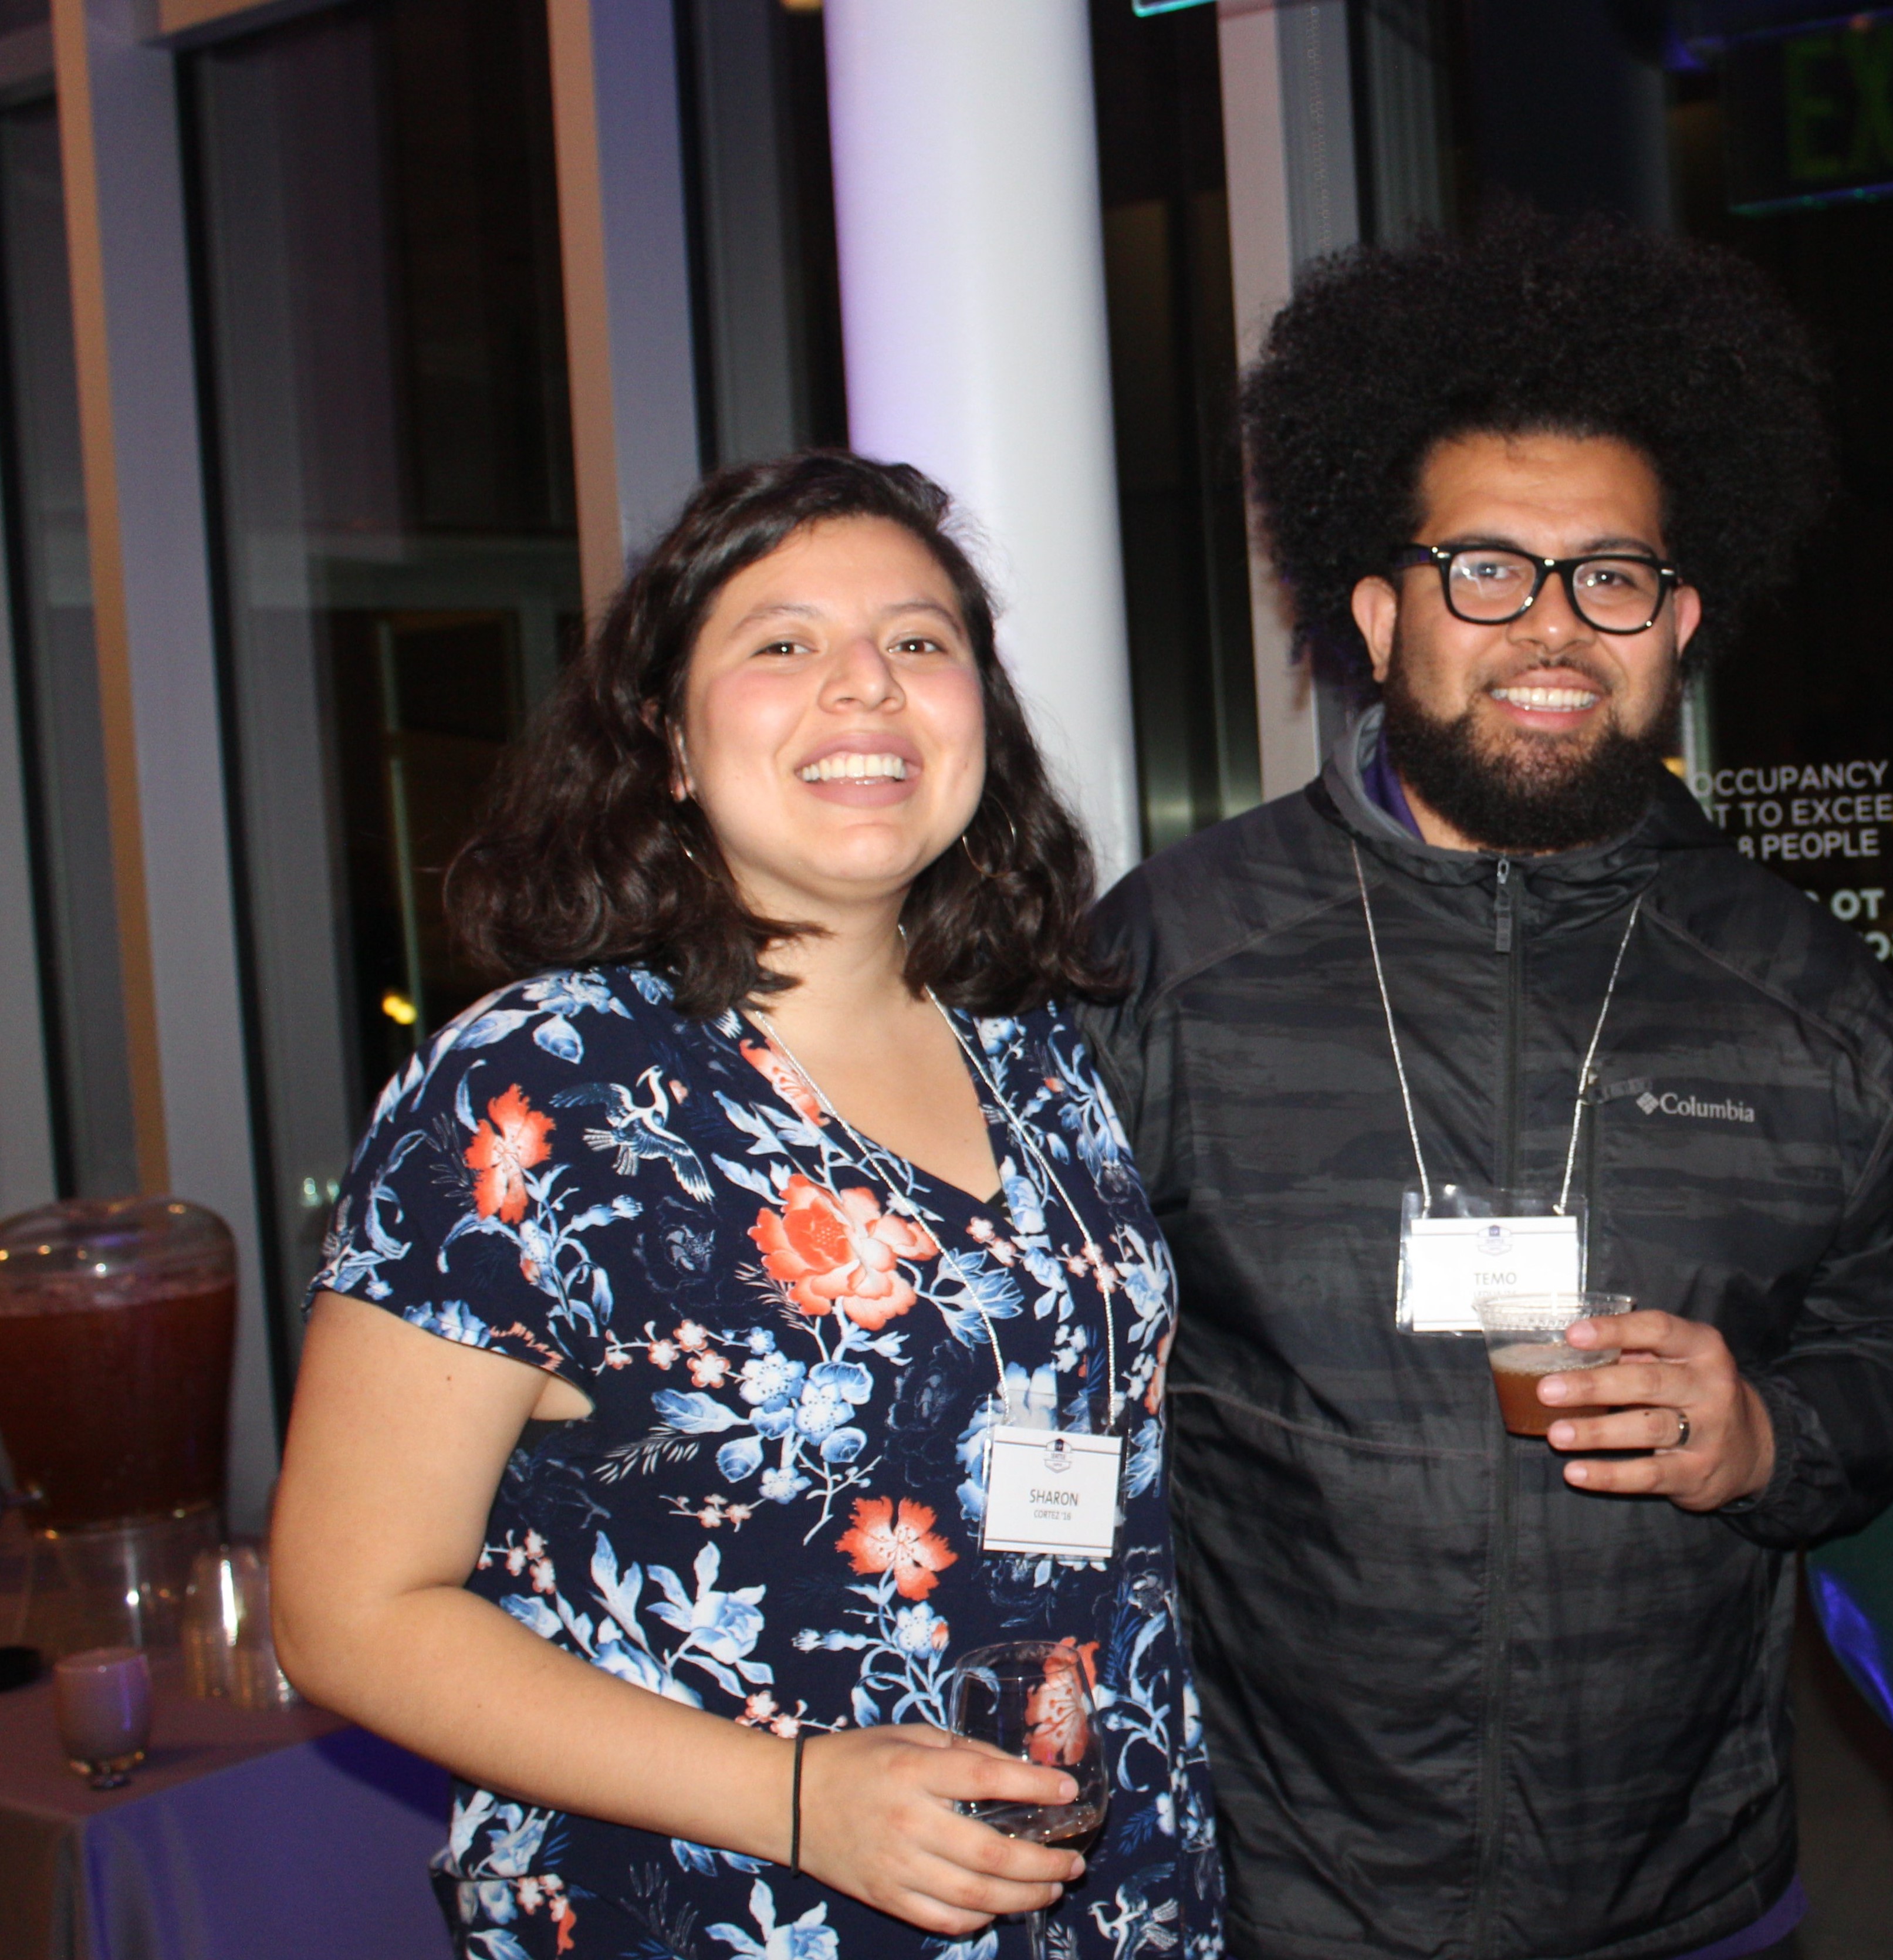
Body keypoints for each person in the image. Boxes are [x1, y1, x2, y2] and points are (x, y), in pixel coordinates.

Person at [1074, 212, 1893, 1960]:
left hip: (1682, 1899)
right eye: (1486, 568)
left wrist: (1771, 1431)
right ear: (1383, 609)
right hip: (1266, 1906)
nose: (1550, 626)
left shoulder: (1803, 995)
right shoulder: (1171, 955)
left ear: (1676, 618)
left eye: (1608, 575)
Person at [269, 454, 1225, 1959]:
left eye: (921, 642)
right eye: (783, 644)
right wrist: (789, 1796)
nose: (867, 687)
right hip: (725, 1907)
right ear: (666, 742)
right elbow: (347, 1608)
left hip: (1106, 1896)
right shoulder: (540, 1085)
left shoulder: (1033, 1043)